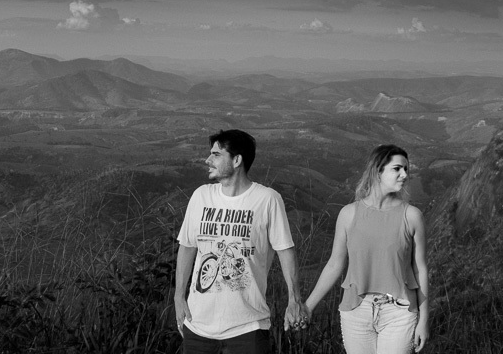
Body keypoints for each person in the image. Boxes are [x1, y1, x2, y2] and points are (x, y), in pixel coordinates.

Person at [175, 129, 307, 353]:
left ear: (237, 160)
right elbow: (187, 246)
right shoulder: (201, 196)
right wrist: (179, 296)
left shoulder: (267, 200)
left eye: (216, 154)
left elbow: (286, 250)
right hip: (198, 326)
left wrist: (294, 300)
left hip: (248, 328)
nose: (208, 160)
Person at [303, 144, 429, 353]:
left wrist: (424, 320)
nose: (404, 175)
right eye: (397, 169)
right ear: (378, 171)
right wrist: (308, 306)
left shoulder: (412, 216)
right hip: (356, 311)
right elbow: (335, 264)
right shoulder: (348, 214)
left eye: (406, 169)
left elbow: (420, 269)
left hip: (400, 312)